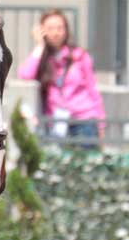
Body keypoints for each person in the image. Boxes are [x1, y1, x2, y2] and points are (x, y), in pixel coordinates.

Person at [17, 10, 106, 145]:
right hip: (57, 123)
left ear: (66, 30)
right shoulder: (42, 58)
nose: (56, 32)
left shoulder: (80, 56)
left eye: (60, 28)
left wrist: (101, 123)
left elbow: (92, 89)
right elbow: (25, 75)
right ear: (42, 31)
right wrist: (40, 45)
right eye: (50, 28)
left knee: (85, 165)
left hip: (84, 121)